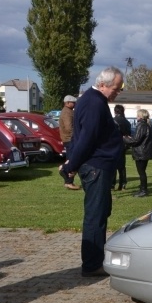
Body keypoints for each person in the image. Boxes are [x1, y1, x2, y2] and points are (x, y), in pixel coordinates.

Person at [62, 67, 125, 277]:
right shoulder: (94, 102)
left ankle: (96, 258)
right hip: (96, 167)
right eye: (117, 87)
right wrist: (71, 167)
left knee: (101, 213)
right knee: (95, 216)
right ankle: (91, 264)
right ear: (104, 84)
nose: (118, 91)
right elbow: (86, 139)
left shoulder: (93, 100)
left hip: (99, 166)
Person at [126, 109, 152, 196]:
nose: (136, 117)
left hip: (141, 152)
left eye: (137, 115)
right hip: (145, 151)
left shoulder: (142, 125)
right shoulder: (149, 125)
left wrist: (125, 139)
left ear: (140, 116)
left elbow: (136, 140)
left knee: (141, 172)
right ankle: (143, 188)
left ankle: (143, 190)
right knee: (142, 171)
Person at [58, 94, 80, 190]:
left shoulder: (69, 111)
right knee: (72, 160)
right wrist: (76, 136)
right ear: (67, 103)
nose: (74, 104)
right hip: (70, 139)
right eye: (73, 102)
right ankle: (63, 170)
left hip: (68, 139)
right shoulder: (67, 112)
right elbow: (68, 127)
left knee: (71, 159)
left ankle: (68, 181)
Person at [112, 104, 131, 190]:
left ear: (115, 111)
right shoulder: (126, 122)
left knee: (112, 165)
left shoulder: (113, 120)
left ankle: (112, 184)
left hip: (113, 145)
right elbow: (128, 134)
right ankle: (123, 183)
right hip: (123, 145)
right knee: (122, 166)